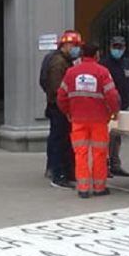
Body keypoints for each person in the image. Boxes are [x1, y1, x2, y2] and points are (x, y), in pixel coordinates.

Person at [58, 42, 120, 198]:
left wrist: (67, 111)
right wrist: (114, 112)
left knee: (80, 154)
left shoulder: (71, 72)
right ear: (97, 55)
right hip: (99, 119)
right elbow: (112, 95)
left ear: (81, 54)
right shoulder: (102, 71)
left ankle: (83, 188)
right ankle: (99, 188)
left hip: (78, 119)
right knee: (99, 153)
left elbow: (61, 96)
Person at [40, 31, 81, 189]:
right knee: (61, 141)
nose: (77, 49)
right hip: (59, 106)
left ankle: (58, 170)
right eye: (75, 46)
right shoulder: (59, 62)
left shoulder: (56, 59)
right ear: (66, 45)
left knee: (57, 139)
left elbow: (44, 82)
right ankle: (59, 175)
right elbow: (58, 88)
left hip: (55, 105)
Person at [103, 36, 129, 177]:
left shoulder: (128, 64)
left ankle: (115, 164)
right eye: (115, 47)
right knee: (107, 137)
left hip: (124, 106)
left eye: (120, 47)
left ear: (124, 48)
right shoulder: (104, 64)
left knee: (118, 137)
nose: (117, 50)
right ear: (110, 47)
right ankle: (104, 166)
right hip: (108, 107)